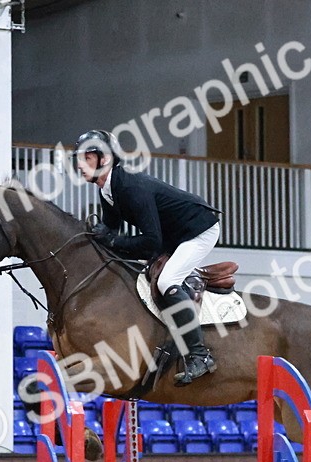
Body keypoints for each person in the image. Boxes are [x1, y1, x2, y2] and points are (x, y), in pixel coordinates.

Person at [73, 129, 221, 386]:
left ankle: (200, 355)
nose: (79, 164)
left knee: (166, 282)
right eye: (79, 158)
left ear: (105, 159)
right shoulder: (108, 189)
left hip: (198, 229)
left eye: (88, 157)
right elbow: (111, 234)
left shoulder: (130, 187)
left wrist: (111, 240)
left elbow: (150, 242)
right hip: (173, 235)